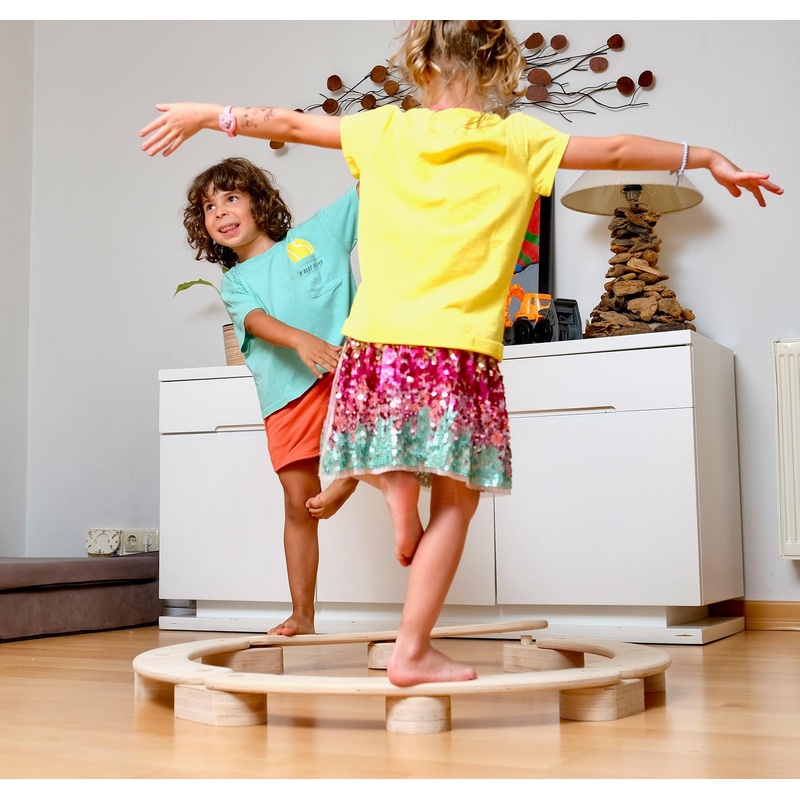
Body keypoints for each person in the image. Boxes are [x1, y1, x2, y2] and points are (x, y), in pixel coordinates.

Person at [140, 21, 782, 685]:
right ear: (500, 66)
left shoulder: (383, 130)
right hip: (455, 353)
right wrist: (703, 155)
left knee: (388, 450)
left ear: (417, 68)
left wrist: (204, 115)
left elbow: (289, 124)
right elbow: (617, 148)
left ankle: (392, 487)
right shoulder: (519, 138)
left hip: (372, 348)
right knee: (456, 501)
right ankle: (413, 650)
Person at [182, 156, 359, 636]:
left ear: (259, 203)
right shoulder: (236, 282)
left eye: (231, 198)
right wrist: (301, 340)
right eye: (208, 207)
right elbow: (256, 321)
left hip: (342, 378)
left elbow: (371, 191)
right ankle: (303, 616)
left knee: (374, 438)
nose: (219, 212)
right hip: (285, 398)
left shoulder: (317, 235)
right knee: (298, 505)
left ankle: (352, 471)